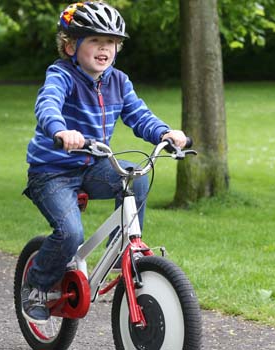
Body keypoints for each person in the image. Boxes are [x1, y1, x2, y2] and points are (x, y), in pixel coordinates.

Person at [21, 1, 187, 324]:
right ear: (70, 46)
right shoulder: (61, 75)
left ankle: (121, 252)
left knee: (135, 177)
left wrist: (165, 134)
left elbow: (139, 115)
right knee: (70, 233)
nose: (104, 49)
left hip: (92, 166)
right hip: (52, 172)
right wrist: (60, 131)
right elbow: (47, 105)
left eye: (111, 42)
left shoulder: (119, 82)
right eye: (95, 41)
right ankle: (37, 285)